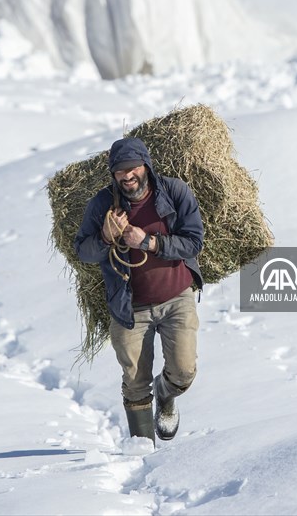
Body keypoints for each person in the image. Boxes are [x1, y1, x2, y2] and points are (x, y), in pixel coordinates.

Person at [75, 137, 204, 444]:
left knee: (184, 372)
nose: (127, 176)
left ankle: (166, 394)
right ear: (113, 174)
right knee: (134, 382)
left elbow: (194, 241)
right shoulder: (103, 205)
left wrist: (149, 242)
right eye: (120, 171)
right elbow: (83, 251)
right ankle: (143, 451)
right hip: (129, 307)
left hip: (177, 298)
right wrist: (106, 236)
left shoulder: (174, 192)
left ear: (146, 166)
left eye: (132, 168)